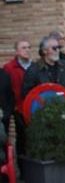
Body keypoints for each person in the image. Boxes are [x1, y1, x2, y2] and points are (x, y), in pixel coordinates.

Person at [3, 39, 32, 171]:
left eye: (28, 47)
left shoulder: (34, 67)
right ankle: (23, 168)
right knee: (22, 137)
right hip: (17, 108)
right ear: (17, 51)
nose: (27, 50)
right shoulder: (9, 68)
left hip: (33, 106)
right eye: (23, 47)